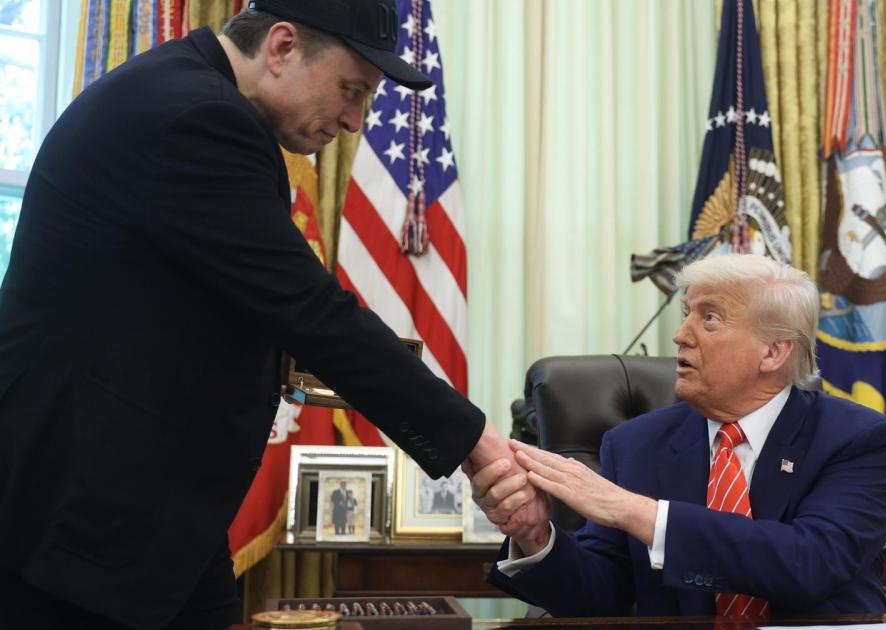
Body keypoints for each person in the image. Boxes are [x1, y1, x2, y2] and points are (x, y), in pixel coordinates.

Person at [0, 2, 534, 628]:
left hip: (144, 514)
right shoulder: (199, 118)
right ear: (281, 46)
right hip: (79, 517)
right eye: (351, 90)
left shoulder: (186, 93)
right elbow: (310, 311)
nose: (355, 120)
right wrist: (474, 440)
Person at [472, 254, 886, 618]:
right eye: (686, 314)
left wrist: (636, 512)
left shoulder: (856, 438)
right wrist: (535, 535)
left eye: (709, 318)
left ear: (773, 351)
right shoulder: (635, 445)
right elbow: (601, 597)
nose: (680, 335)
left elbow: (811, 562)